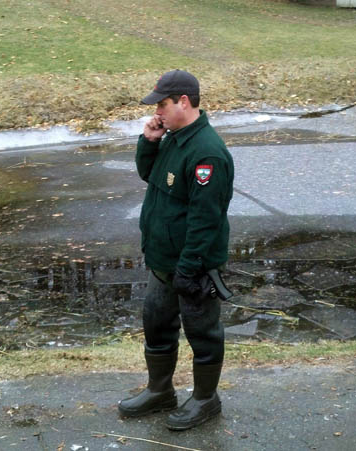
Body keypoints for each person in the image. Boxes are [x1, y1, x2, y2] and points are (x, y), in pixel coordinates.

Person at [118, 69, 234, 431]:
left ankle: (205, 400)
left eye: (163, 105)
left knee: (204, 334)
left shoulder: (207, 153)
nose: (158, 113)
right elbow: (149, 175)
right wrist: (149, 141)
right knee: (156, 326)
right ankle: (160, 391)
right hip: (163, 262)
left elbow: (206, 219)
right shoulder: (173, 137)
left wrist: (190, 268)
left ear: (184, 102)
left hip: (192, 267)